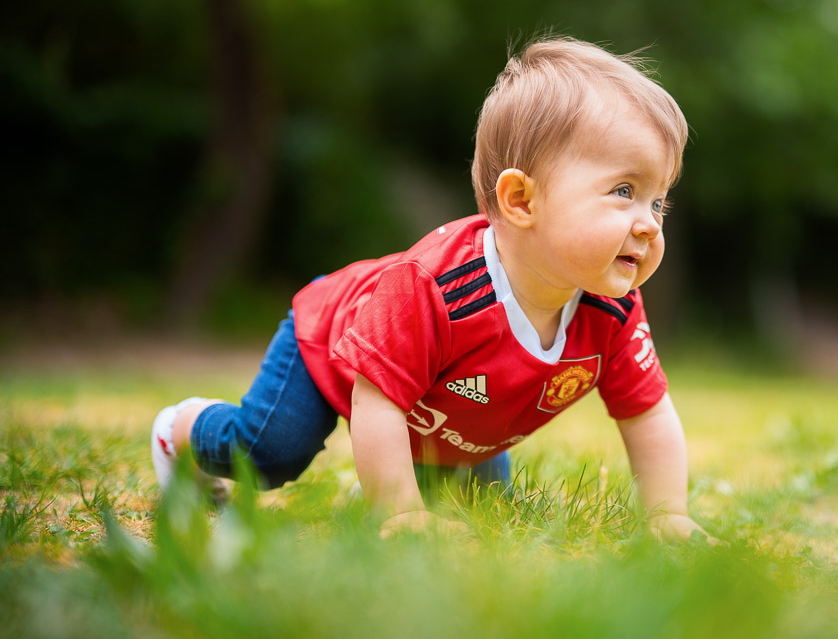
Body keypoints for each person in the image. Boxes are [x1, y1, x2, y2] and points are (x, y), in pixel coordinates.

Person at [150, 37, 708, 540]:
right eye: (623, 191)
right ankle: (180, 431)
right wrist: (397, 513)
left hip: (445, 417)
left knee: (478, 509)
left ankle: (400, 477)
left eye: (658, 200)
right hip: (332, 342)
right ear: (521, 201)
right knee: (271, 453)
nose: (650, 223)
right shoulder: (438, 287)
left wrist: (668, 515)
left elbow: (648, 413)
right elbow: (378, 399)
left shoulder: (613, 309)